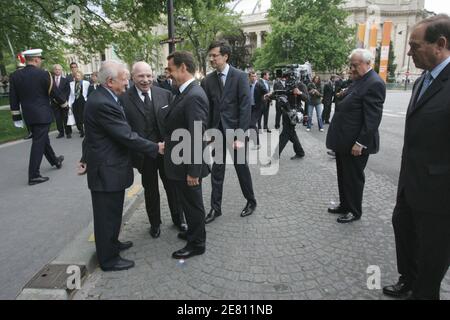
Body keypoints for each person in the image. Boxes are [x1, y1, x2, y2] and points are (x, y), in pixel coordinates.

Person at [383, 14, 450, 300]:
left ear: (441, 44)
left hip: (439, 197)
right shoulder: (424, 79)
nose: (409, 52)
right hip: (409, 186)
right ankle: (407, 279)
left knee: (432, 258)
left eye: (415, 45)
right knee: (404, 233)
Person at [82, 60, 164, 271]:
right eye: (125, 79)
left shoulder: (106, 96)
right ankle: (108, 259)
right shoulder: (103, 103)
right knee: (106, 216)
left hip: (111, 168)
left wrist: (84, 158)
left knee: (113, 213)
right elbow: (126, 135)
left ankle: (113, 244)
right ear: (110, 81)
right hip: (106, 169)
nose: (127, 84)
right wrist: (155, 148)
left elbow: (93, 136)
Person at [121, 61, 187, 238]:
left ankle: (178, 219)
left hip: (166, 152)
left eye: (149, 75)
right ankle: (155, 223)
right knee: (150, 190)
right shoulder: (124, 99)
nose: (145, 80)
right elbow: (125, 130)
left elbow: (175, 121)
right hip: (144, 154)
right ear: (133, 77)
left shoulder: (165, 94)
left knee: (172, 187)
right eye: (141, 76)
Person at [326, 48, 385, 224]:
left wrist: (360, 143)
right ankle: (345, 204)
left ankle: (354, 210)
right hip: (344, 141)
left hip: (356, 143)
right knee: (344, 176)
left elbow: (372, 119)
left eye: (355, 65)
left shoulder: (374, 83)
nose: (351, 69)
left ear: (368, 64)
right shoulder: (359, 80)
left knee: (353, 178)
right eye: (350, 65)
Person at [201, 40, 257, 224]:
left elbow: (245, 107)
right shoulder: (207, 80)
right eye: (210, 56)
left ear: (226, 56)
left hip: (235, 133)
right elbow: (207, 109)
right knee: (217, 172)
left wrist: (240, 136)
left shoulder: (240, 76)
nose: (212, 59)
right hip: (217, 133)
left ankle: (251, 201)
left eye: (215, 55)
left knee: (242, 169)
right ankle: (215, 208)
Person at [164, 51, 209, 259]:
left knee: (192, 204)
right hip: (180, 161)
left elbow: (197, 135)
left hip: (188, 165)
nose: (168, 74)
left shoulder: (193, 96)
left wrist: (194, 171)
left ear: (183, 68)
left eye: (171, 70)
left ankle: (197, 243)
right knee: (188, 203)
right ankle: (193, 232)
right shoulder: (184, 92)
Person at [9, 49, 65, 185]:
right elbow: (53, 92)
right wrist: (64, 103)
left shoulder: (15, 76)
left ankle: (54, 160)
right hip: (42, 114)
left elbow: (13, 98)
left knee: (42, 139)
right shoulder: (44, 74)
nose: (40, 61)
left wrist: (16, 116)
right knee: (39, 143)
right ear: (35, 60)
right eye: (40, 59)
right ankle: (33, 175)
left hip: (28, 115)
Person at [249, 71, 268, 148]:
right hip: (250, 107)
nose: (253, 78)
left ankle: (257, 144)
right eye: (252, 76)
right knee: (248, 124)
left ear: (256, 77)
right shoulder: (248, 84)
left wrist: (264, 98)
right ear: (249, 77)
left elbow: (266, 93)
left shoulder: (259, 85)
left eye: (255, 76)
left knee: (252, 124)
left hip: (258, 108)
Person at [51, 64, 71, 139]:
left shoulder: (65, 80)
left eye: (59, 69)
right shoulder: (51, 80)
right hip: (54, 102)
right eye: (56, 69)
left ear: (61, 70)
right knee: (58, 118)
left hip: (64, 102)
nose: (57, 71)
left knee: (66, 117)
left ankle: (68, 132)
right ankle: (61, 132)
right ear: (54, 70)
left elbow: (67, 91)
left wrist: (63, 100)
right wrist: (54, 99)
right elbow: (50, 91)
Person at [68, 70, 90, 138]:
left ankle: (84, 131)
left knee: (84, 116)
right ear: (74, 76)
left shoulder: (87, 83)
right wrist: (69, 103)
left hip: (83, 100)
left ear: (81, 76)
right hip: (75, 101)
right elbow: (70, 94)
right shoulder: (71, 83)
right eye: (76, 76)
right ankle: (80, 128)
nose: (77, 77)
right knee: (77, 116)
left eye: (78, 76)